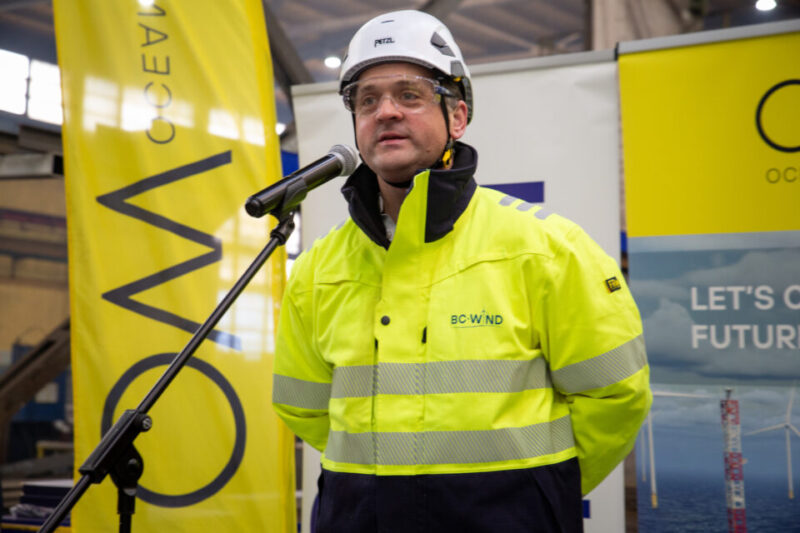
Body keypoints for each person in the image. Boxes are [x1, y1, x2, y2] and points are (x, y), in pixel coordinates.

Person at [272, 9, 651, 533]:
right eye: (367, 100)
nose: (385, 111)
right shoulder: (319, 267)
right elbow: (305, 408)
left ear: (457, 117)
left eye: (410, 94)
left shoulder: (546, 249)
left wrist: (536, 495)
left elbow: (615, 396)